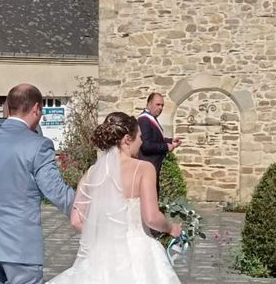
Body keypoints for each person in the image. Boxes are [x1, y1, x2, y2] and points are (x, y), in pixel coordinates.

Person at [0, 83, 75, 284]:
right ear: (36, 109)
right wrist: (90, 212)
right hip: (21, 247)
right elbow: (56, 191)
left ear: (8, 107)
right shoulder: (39, 145)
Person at [48, 112, 182, 284]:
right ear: (127, 139)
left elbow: (76, 220)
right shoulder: (144, 169)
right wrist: (171, 228)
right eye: (139, 136)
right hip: (138, 253)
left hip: (102, 253)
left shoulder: (91, 173)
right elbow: (151, 217)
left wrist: (103, 233)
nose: (141, 141)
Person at [138, 92, 181, 194]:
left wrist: (171, 141)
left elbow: (155, 139)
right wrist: (166, 147)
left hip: (153, 167)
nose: (161, 108)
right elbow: (146, 146)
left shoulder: (151, 119)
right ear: (149, 104)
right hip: (148, 167)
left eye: (162, 105)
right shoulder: (144, 119)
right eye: (158, 104)